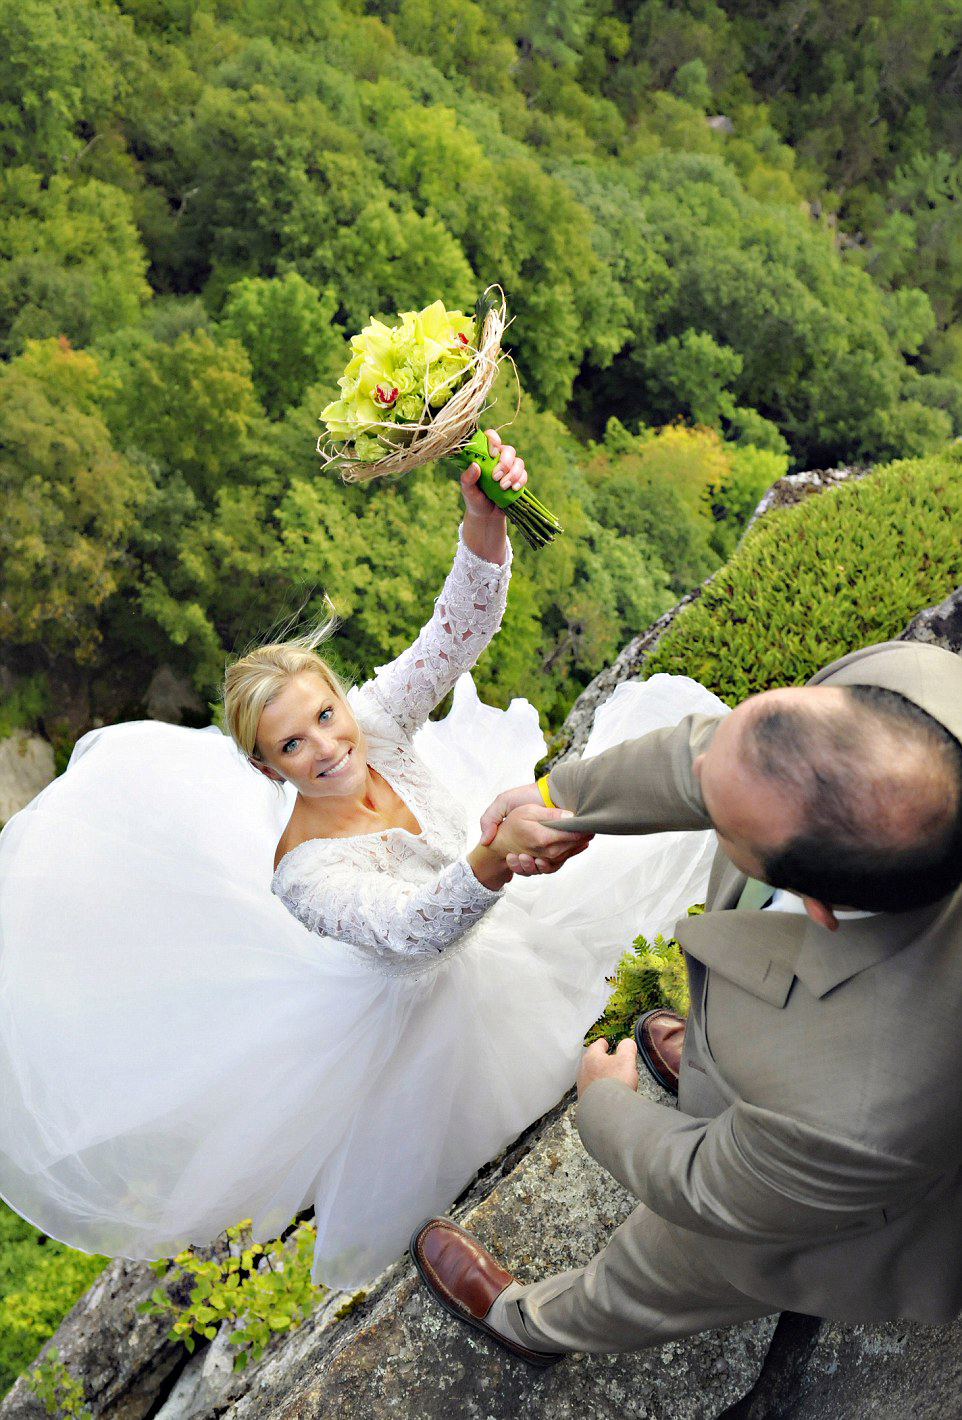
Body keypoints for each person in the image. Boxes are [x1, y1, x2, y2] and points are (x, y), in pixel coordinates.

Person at [0, 432, 727, 1291]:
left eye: (325, 714)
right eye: (292, 742)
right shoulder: (302, 872)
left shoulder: (374, 723)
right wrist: (495, 859)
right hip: (442, 1002)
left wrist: (483, 522)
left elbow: (453, 637)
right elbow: (413, 932)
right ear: (266, 767)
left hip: (498, 897)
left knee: (670, 773)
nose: (327, 745)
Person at [411, 638, 962, 1364]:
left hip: (828, 1197)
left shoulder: (854, 1117)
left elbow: (700, 1186)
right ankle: (728, 1085)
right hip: (811, 1089)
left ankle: (531, 1326)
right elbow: (717, 753)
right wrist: (563, 799)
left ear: (819, 906)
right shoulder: (916, 687)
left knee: (675, 1263)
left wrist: (606, 1106)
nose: (697, 777)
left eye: (721, 820)